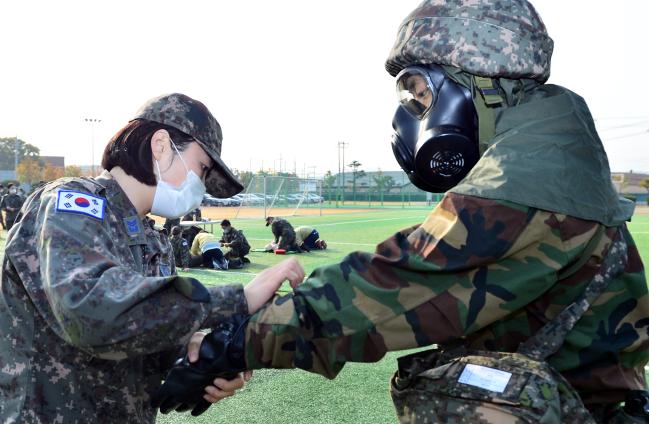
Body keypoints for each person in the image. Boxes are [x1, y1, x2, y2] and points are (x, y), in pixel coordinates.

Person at [155, 2, 649, 422]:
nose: (415, 111)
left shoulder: (529, 177)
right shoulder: (551, 151)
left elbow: (391, 288)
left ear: (479, 84)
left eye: (421, 93)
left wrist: (233, 342)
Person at [0, 93, 304, 423]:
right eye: (201, 169)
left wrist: (202, 360)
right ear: (160, 145)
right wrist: (238, 299)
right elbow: (91, 311)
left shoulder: (153, 241)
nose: (199, 187)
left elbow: (146, 345)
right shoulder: (70, 203)